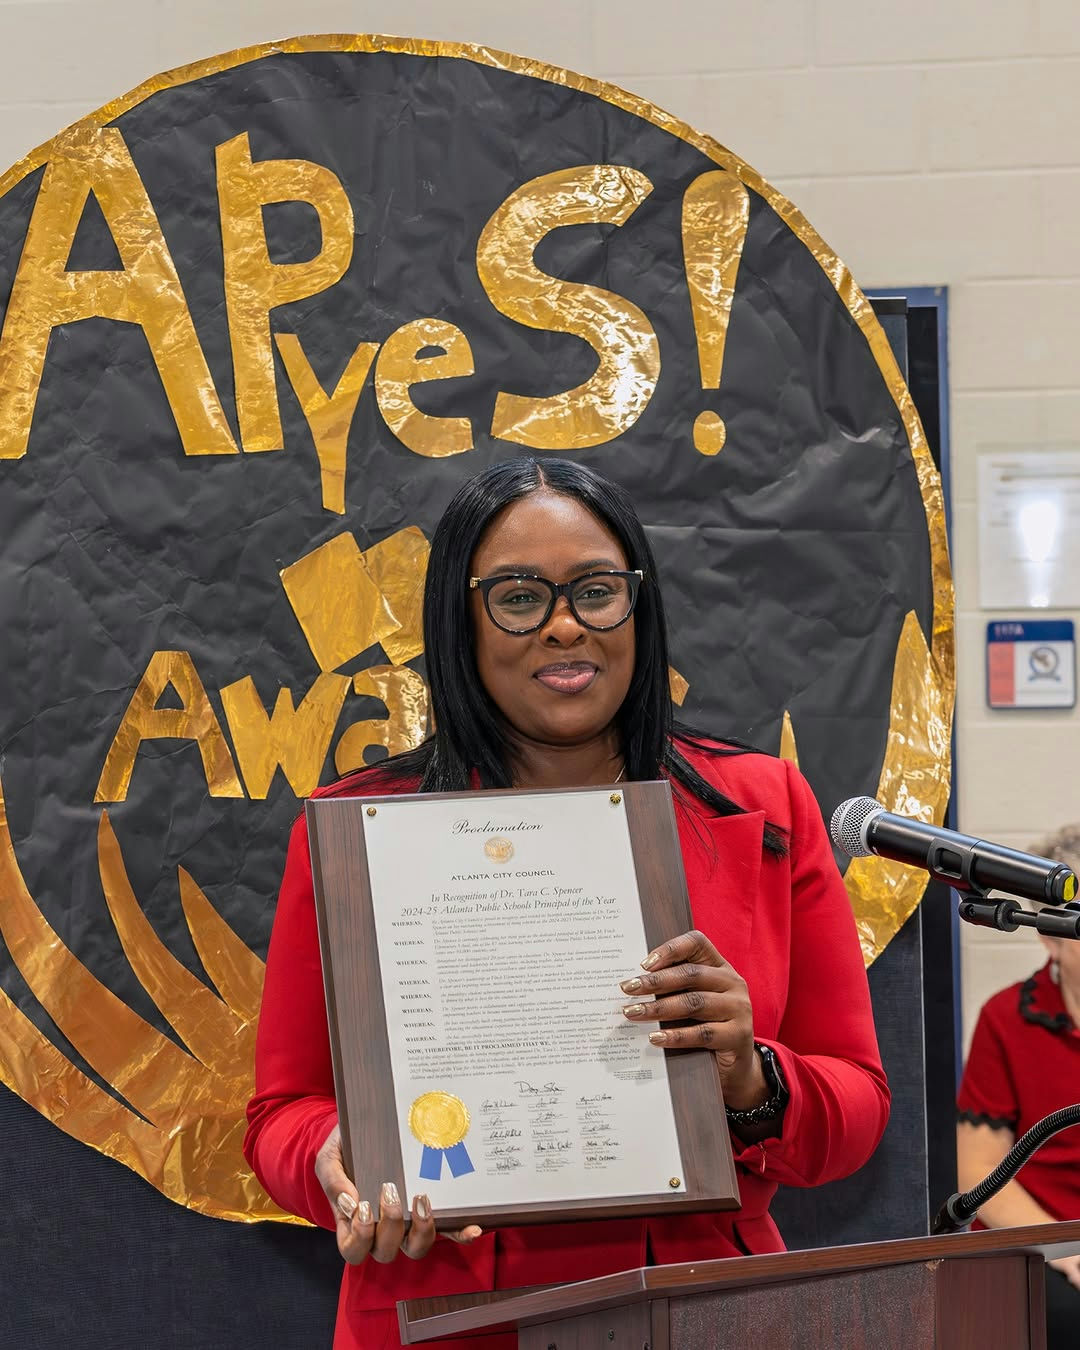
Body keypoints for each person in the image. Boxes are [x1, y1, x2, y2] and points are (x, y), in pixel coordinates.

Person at [244, 457, 890, 1350]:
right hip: (443, 1315)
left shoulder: (763, 805)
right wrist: (334, 1164)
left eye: (596, 591)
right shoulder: (355, 831)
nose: (563, 628)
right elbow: (283, 1113)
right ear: (459, 620)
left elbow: (855, 1110)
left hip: (701, 1310)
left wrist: (751, 1078)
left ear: (640, 604)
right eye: (517, 597)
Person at [956, 823, 1080, 1350]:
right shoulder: (1006, 1018)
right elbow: (980, 1172)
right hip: (1042, 1244)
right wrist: (1069, 1252)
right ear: (1050, 937)